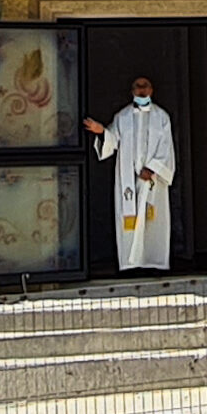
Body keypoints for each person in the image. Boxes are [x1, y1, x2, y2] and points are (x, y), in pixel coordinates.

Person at [83, 77, 177, 272]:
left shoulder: (162, 117)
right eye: (138, 86)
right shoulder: (123, 117)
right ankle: (131, 263)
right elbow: (112, 141)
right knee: (130, 218)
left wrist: (152, 168)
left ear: (151, 89)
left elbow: (167, 147)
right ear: (132, 90)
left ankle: (154, 261)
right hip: (129, 180)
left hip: (153, 180)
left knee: (153, 221)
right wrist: (101, 132)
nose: (141, 90)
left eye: (145, 86)